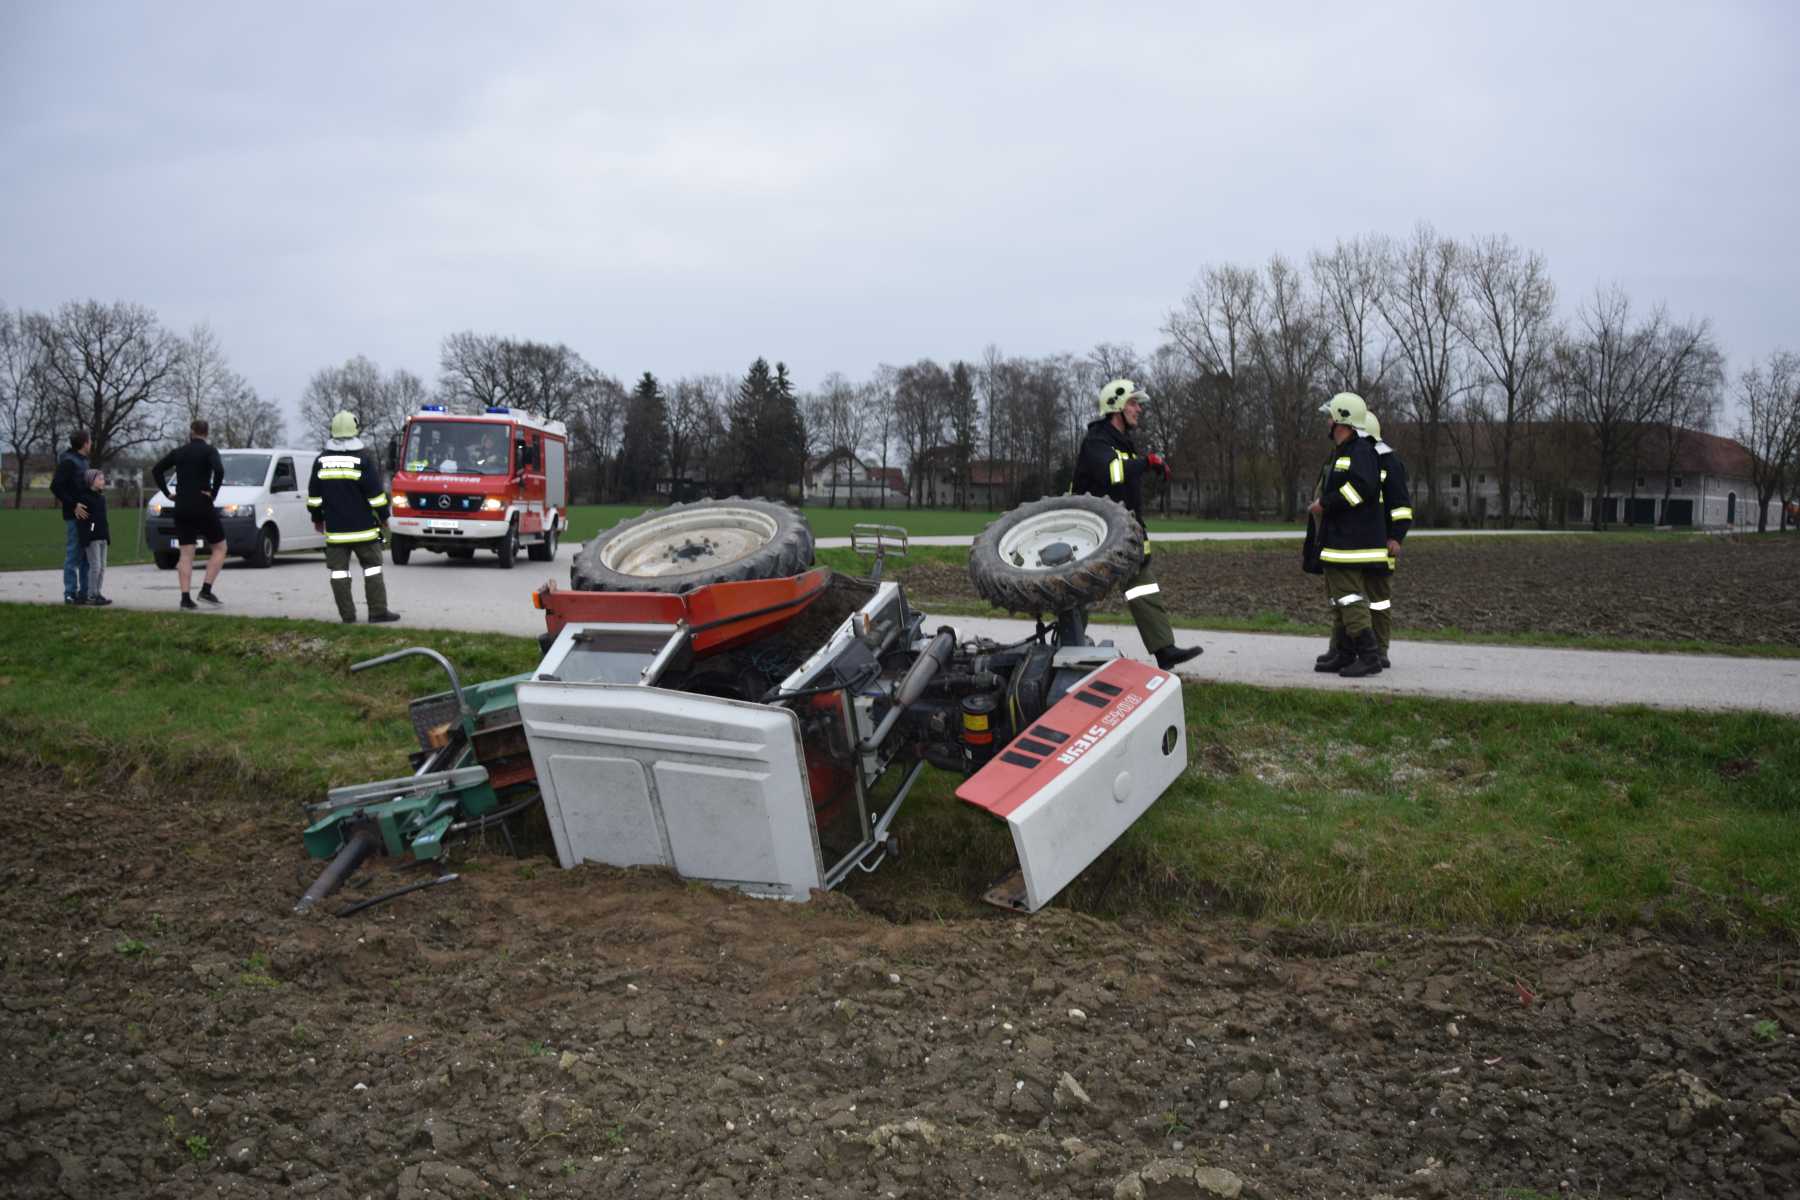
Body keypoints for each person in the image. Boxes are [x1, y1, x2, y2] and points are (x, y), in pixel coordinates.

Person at [1071, 378, 1203, 671]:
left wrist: (1141, 540)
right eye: (1132, 403)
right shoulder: (1097, 442)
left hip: (1120, 533)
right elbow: (1112, 474)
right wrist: (1148, 462)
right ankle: (1067, 648)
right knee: (1082, 594)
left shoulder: (1123, 444)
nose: (1138, 409)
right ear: (1116, 406)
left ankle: (1164, 649)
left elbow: (1128, 500)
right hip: (1092, 534)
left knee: (1141, 587)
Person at [1302, 392, 1386, 677]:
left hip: (1352, 542)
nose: (1327, 422)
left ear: (1342, 420)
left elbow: (1361, 488)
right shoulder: (1345, 451)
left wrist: (1325, 503)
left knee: (1349, 598)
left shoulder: (1360, 451)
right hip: (1341, 540)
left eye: (1330, 416)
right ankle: (1346, 653)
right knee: (1339, 598)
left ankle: (1369, 656)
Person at [307, 410, 400, 624]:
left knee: (339, 574)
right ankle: (378, 612)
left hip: (336, 532)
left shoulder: (320, 461)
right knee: (373, 569)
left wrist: (317, 518)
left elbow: (314, 496)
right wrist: (384, 516)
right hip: (364, 531)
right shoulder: (362, 460)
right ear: (354, 430)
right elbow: (375, 495)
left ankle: (347, 616)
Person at [152, 419, 227, 610]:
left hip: (182, 505)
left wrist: (168, 493)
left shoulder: (179, 452)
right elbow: (219, 470)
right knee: (219, 547)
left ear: (191, 432)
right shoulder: (210, 451)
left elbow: (157, 470)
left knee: (186, 553)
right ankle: (206, 589)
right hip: (202, 503)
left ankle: (185, 598)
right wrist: (214, 492)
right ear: (206, 433)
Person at [1362, 413, 1412, 670]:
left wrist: (1396, 536)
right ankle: (1358, 649)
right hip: (1359, 541)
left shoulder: (1389, 463)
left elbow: (1401, 505)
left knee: (1379, 599)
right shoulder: (1364, 459)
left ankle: (1380, 650)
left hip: (1382, 543)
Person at [51, 430, 92, 605]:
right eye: (89, 441)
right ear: (84, 443)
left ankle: (84, 592)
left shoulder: (83, 461)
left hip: (87, 516)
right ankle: (69, 592)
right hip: (74, 515)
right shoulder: (68, 462)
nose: (91, 444)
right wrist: (73, 504)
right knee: (73, 554)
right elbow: (56, 487)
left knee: (86, 556)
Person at [77, 468, 114, 607]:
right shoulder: (85, 498)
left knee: (103, 567)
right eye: (100, 479)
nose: (103, 481)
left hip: (103, 536)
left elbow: (103, 519)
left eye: (103, 479)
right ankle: (91, 595)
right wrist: (90, 534)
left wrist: (107, 535)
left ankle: (98, 593)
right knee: (95, 566)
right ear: (91, 481)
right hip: (93, 538)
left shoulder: (102, 498)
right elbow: (86, 522)